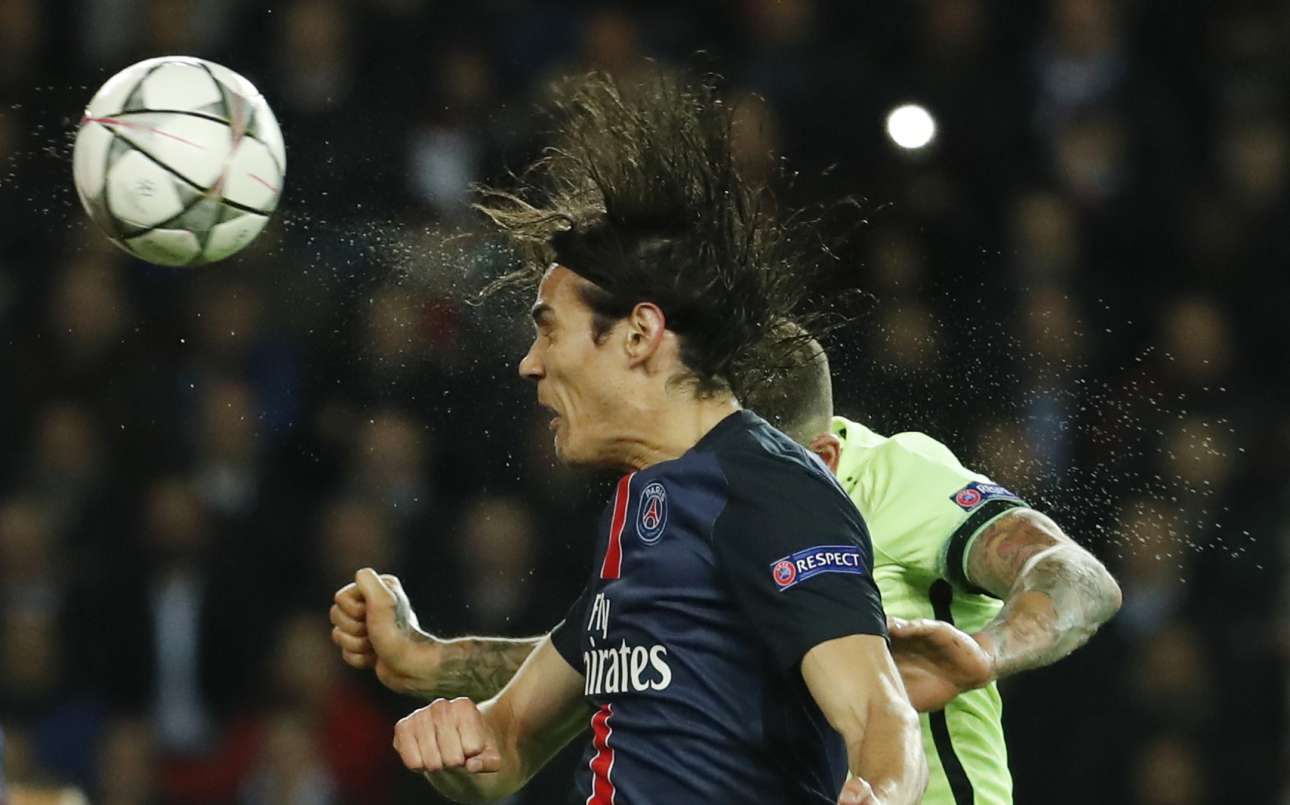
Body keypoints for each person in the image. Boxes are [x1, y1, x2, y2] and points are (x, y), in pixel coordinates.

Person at [334, 72, 927, 804]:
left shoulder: (769, 488)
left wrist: (882, 792)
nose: (530, 363)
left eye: (549, 330)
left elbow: (881, 715)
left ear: (640, 333)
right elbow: (505, 746)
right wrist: (448, 742)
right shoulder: (642, 512)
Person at [333, 331, 1122, 804]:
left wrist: (986, 650)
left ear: (819, 457)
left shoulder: (893, 479)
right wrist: (435, 662)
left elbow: (1077, 576)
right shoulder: (688, 504)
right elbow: (638, 662)